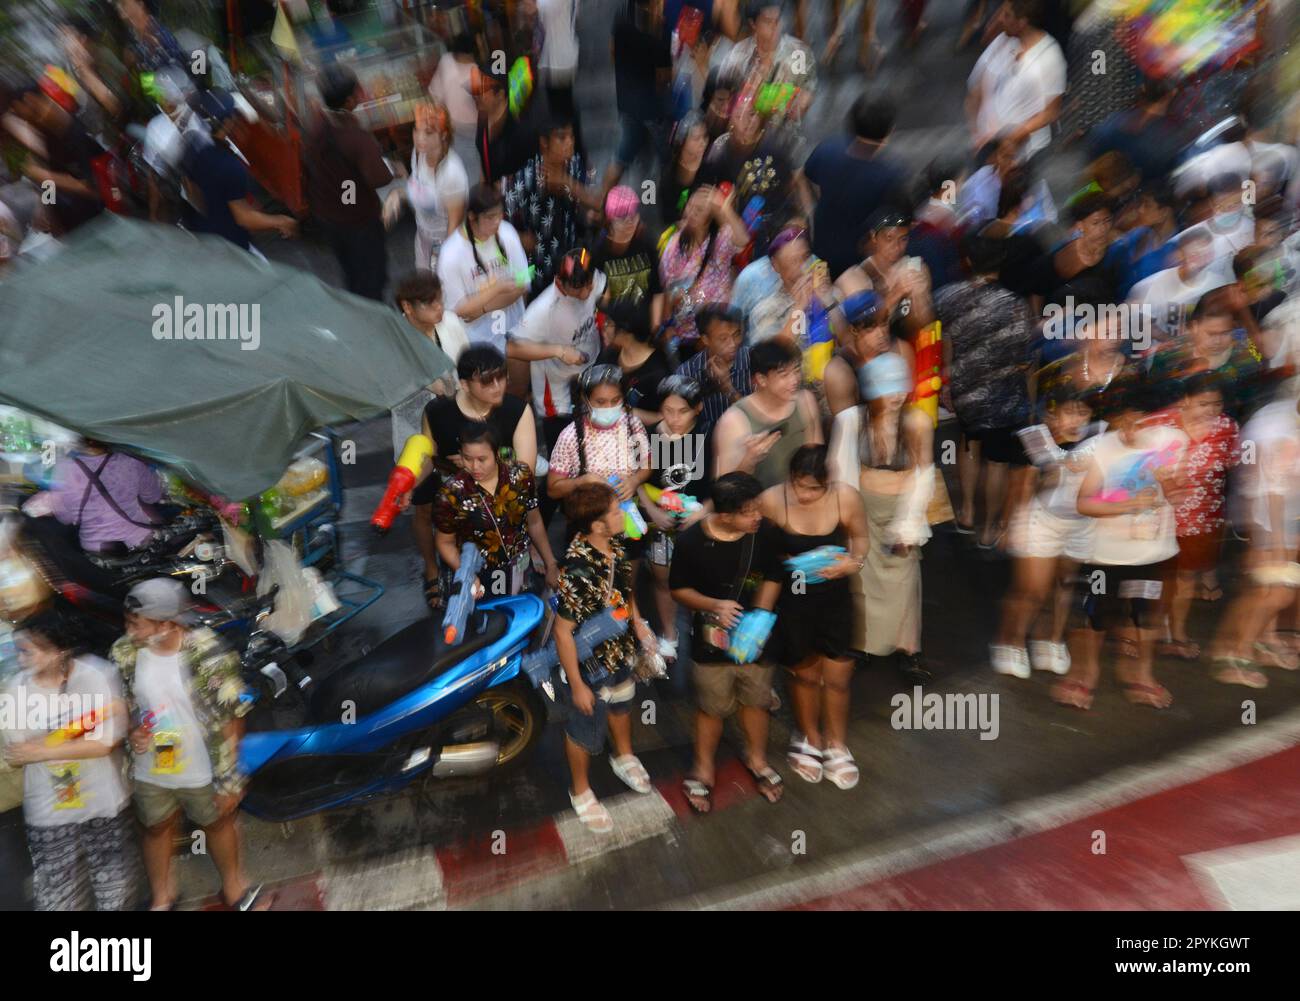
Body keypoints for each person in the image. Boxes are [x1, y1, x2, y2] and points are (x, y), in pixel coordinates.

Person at [112, 578, 266, 910]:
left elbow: (233, 715)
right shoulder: (125, 653)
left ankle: (235, 887)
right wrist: (132, 731)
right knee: (155, 828)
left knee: (217, 824)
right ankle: (163, 895)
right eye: (128, 622)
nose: (129, 630)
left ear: (166, 624)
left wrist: (230, 779)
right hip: (151, 768)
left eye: (135, 623)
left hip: (203, 767)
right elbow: (124, 705)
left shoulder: (209, 653)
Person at [1053, 383, 1188, 711]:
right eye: (1123, 422)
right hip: (1103, 555)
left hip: (1151, 553)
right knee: (1095, 616)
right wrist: (1127, 504)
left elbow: (1178, 497)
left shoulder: (1172, 442)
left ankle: (1142, 676)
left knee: (1145, 616)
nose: (1129, 430)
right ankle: (1086, 675)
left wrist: (1165, 478)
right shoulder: (1100, 447)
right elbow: (1084, 502)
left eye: (1138, 422)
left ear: (1155, 421)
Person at [2, 609, 139, 911]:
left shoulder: (98, 674)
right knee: (58, 897)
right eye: (19, 650)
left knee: (115, 891)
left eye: (29, 651)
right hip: (49, 811)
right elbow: (17, 751)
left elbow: (105, 743)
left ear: (59, 651)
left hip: (103, 803)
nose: (21, 659)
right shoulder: (16, 689)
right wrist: (83, 728)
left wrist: (45, 749)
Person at [671, 471, 784, 810]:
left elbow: (775, 574)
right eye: (748, 512)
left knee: (756, 699)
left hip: (756, 640)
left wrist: (758, 620)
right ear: (723, 515)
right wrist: (713, 606)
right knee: (711, 706)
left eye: (757, 509)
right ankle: (703, 768)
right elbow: (678, 590)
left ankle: (757, 759)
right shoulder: (691, 541)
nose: (757, 517)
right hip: (710, 639)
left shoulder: (764, 533)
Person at [760, 445, 868, 788]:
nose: (804, 494)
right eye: (798, 485)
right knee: (804, 674)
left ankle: (837, 743)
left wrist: (854, 561)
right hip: (795, 599)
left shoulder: (846, 498)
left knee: (837, 678)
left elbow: (861, 538)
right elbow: (759, 550)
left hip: (836, 597)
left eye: (813, 488)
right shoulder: (773, 499)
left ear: (828, 483)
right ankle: (809, 736)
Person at [554, 482, 659, 833]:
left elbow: (624, 591)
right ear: (597, 525)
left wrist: (639, 623)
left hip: (620, 651)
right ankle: (580, 790)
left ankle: (624, 755)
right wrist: (579, 684)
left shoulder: (614, 544)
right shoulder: (578, 570)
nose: (622, 514)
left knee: (622, 701)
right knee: (584, 726)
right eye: (616, 511)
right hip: (590, 664)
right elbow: (562, 631)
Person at [828, 351, 935, 684]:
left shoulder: (916, 421)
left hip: (902, 507)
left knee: (904, 577)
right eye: (888, 389)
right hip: (862, 504)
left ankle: (909, 648)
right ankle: (863, 644)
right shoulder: (851, 420)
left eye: (900, 388)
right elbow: (839, 469)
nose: (896, 396)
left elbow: (924, 473)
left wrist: (909, 522)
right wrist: (848, 515)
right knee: (861, 573)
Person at [410, 346, 538, 609]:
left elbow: (526, 469)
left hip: (501, 500)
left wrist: (478, 465)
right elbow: (428, 458)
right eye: (487, 381)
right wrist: (408, 485)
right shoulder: (437, 412)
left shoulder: (516, 410)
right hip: (456, 502)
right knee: (427, 513)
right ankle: (436, 572)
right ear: (465, 384)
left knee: (512, 588)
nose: (497, 387)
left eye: (501, 377)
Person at [934, 232, 1035, 546]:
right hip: (1004, 399)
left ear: (967, 262)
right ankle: (989, 529)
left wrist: (947, 382)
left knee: (968, 445)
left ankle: (964, 512)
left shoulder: (947, 297)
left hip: (966, 393)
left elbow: (944, 340)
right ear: (1000, 263)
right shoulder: (1015, 305)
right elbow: (1025, 360)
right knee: (996, 462)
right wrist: (1030, 404)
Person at [991, 385, 1098, 678]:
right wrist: (1008, 527)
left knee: (1064, 586)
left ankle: (1050, 639)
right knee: (1032, 592)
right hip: (1039, 521)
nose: (1076, 420)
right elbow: (1018, 490)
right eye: (1069, 412)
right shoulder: (1034, 440)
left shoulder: (1099, 439)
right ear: (1052, 414)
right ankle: (1008, 641)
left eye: (1083, 412)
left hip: (1080, 523)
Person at [1209, 390, 1300, 685]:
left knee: (1274, 594)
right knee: (1265, 592)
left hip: (1285, 524)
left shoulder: (1290, 429)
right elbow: (1272, 491)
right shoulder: (1281, 433)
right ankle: (1231, 653)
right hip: (1269, 523)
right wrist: (1272, 541)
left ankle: (1243, 649)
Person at [1152, 374, 1239, 663]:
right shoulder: (1161, 426)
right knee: (1158, 577)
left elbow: (1232, 468)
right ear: (1185, 400)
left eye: (1217, 403)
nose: (1212, 410)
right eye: (1204, 403)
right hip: (1161, 517)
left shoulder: (1227, 427)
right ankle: (1148, 631)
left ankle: (1175, 633)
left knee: (1186, 579)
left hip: (1204, 518)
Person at [434, 422, 559, 598]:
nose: (475, 467)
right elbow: (444, 542)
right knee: (490, 621)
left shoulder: (520, 476)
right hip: (479, 574)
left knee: (523, 613)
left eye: (482, 459)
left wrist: (550, 563)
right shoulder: (451, 493)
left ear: (497, 453)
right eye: (467, 459)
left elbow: (534, 520)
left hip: (520, 566)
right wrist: (466, 574)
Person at [304, 64, 394, 300]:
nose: (362, 92)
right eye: (358, 90)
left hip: (330, 216)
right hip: (359, 222)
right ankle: (373, 319)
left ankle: (357, 305)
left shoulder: (318, 124)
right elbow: (379, 177)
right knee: (370, 279)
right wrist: (394, 166)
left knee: (351, 273)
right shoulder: (356, 140)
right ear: (348, 100)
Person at [548, 366, 653, 567]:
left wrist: (634, 480)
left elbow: (647, 464)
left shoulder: (632, 425)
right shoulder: (571, 437)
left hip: (626, 519)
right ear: (585, 400)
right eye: (600, 402)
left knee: (628, 576)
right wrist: (583, 481)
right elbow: (553, 489)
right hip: (589, 527)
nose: (609, 407)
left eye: (615, 401)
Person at [642, 374, 713, 666]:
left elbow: (719, 481)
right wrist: (653, 511)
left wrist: (703, 511)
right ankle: (670, 635)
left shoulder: (708, 434)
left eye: (682, 411)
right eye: (668, 411)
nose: (674, 418)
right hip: (662, 527)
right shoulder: (649, 436)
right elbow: (635, 480)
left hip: (700, 525)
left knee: (703, 582)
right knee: (663, 580)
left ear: (697, 409)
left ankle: (703, 632)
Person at [800, 91, 907, 279]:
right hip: (859, 265)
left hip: (820, 250)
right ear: (889, 132)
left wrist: (812, 211)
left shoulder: (828, 149)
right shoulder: (890, 175)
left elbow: (804, 177)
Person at [510, 247, 605, 452]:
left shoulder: (591, 275)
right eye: (578, 290)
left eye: (588, 286)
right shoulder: (544, 309)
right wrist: (559, 351)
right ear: (560, 282)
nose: (586, 293)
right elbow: (512, 348)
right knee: (561, 440)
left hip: (589, 367)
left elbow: (603, 294)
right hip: (555, 384)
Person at [182, 90, 297, 254]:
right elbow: (244, 218)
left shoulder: (193, 147)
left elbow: (190, 189)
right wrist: (281, 221)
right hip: (231, 249)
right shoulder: (230, 165)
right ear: (228, 123)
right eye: (235, 116)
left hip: (203, 237)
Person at [505, 115, 599, 297]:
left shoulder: (577, 167)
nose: (569, 143)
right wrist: (519, 238)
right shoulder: (525, 178)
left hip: (572, 258)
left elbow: (597, 204)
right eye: (562, 138)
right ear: (544, 143)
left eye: (572, 137)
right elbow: (501, 224)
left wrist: (569, 184)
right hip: (534, 266)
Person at [966, 0, 1067, 162]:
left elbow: (1051, 112)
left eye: (1007, 15)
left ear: (1022, 23)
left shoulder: (1050, 56)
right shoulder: (1001, 42)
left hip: (1024, 155)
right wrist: (976, 134)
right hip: (985, 147)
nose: (1000, 20)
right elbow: (976, 88)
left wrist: (1012, 139)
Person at [714, 339, 822, 488]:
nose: (794, 380)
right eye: (784, 375)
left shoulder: (805, 401)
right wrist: (749, 460)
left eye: (796, 371)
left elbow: (816, 459)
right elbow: (724, 490)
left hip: (802, 498)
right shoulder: (734, 421)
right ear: (761, 379)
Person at [437, 183, 531, 355]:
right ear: (472, 217)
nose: (497, 222)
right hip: (478, 341)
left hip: (514, 328)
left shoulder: (507, 234)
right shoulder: (450, 255)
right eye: (490, 217)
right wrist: (500, 288)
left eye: (500, 215)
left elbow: (523, 282)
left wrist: (481, 309)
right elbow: (459, 309)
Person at [7, 77, 104, 236]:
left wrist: (43, 175)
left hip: (105, 219)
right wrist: (50, 214)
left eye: (20, 113)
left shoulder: (75, 131)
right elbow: (49, 179)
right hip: (79, 228)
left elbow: (95, 189)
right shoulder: (47, 132)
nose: (23, 121)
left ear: (29, 101)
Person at [389, 270, 470, 458]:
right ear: (407, 307)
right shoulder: (394, 341)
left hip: (458, 426)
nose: (439, 307)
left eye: (440, 300)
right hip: (415, 433)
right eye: (430, 304)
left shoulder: (451, 322)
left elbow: (467, 367)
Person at [659, 184, 750, 348]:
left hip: (718, 329)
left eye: (699, 210)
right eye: (690, 206)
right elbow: (666, 287)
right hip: (686, 332)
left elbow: (742, 240)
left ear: (710, 217)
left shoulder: (721, 239)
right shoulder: (674, 244)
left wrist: (723, 209)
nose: (692, 213)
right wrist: (667, 325)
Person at [383, 102, 469, 272]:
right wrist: (398, 194)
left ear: (443, 135)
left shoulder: (452, 174)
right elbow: (418, 187)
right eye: (416, 129)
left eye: (428, 132)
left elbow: (455, 225)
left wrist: (443, 259)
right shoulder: (419, 153)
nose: (420, 138)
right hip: (423, 237)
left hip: (444, 243)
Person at [36, 441, 162, 555]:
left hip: (96, 550)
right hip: (140, 541)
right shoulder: (130, 461)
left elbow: (65, 518)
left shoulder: (62, 469)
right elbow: (152, 497)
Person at [717, 1, 817, 131]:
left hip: (783, 134)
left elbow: (807, 91)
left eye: (777, 20)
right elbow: (721, 102)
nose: (775, 27)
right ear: (753, 24)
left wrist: (805, 99)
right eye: (767, 21)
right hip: (743, 134)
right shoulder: (736, 58)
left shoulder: (798, 54)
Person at [606, 0, 673, 193]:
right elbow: (663, 78)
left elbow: (612, 52)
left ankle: (644, 194)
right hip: (650, 108)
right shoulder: (659, 29)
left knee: (631, 151)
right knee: (660, 156)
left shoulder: (622, 14)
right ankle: (603, 201)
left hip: (625, 100)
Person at [1127, 229, 1229, 344]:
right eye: (1195, 254)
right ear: (1180, 255)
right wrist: (1172, 342)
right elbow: (1143, 324)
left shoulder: (1218, 283)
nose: (1201, 260)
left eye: (1206, 254)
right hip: (1167, 350)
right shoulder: (1158, 284)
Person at [823, 289, 913, 417]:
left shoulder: (901, 350)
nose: (881, 334)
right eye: (870, 328)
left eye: (883, 323)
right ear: (854, 330)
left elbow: (909, 409)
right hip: (859, 432)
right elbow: (848, 428)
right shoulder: (839, 372)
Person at [594, 185, 666, 330]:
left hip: (644, 325)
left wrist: (655, 329)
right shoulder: (599, 251)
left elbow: (657, 291)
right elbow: (598, 302)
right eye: (621, 217)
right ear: (609, 221)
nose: (629, 222)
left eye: (633, 216)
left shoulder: (647, 244)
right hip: (615, 328)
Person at [674, 303, 753, 430]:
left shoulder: (753, 360)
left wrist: (727, 387)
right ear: (705, 339)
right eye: (723, 338)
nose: (732, 344)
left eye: (736, 334)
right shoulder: (687, 372)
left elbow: (757, 419)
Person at [597, 300, 673, 427]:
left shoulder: (659, 372)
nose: (604, 327)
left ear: (625, 331)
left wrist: (625, 412)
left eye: (609, 323)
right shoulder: (610, 355)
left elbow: (665, 417)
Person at [427, 33, 481, 178]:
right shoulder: (476, 71)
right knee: (473, 166)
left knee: (459, 164)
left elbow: (434, 94)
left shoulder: (446, 60)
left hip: (451, 126)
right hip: (472, 129)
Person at [659, 112, 710, 230]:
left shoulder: (707, 166)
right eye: (696, 138)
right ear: (683, 141)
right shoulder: (669, 174)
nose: (703, 143)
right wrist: (680, 222)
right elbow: (667, 214)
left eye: (705, 137)